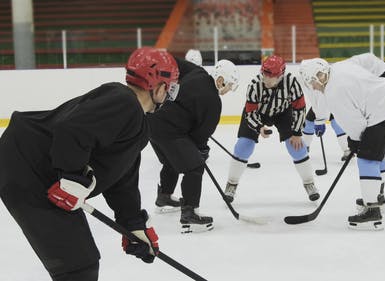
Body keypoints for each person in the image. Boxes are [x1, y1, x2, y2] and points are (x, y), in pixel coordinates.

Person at [0, 47, 179, 281]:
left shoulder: (135, 120)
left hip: (36, 170)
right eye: (172, 88)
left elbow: (121, 177)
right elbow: (72, 130)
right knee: (78, 267)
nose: (170, 96)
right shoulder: (124, 103)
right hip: (27, 167)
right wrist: (73, 175)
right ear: (160, 86)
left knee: (81, 264)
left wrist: (132, 223)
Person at [299, 53, 385, 230]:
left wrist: (356, 143)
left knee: (367, 157)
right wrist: (384, 75)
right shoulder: (340, 66)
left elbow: (356, 125)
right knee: (375, 154)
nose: (313, 87)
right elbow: (369, 59)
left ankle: (372, 212)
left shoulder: (333, 93)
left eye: (312, 82)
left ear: (318, 76)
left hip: (382, 113)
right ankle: (378, 196)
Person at [149, 58, 240, 233]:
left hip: (152, 123)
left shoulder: (197, 72)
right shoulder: (214, 103)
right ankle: (189, 214)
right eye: (229, 85)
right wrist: (200, 153)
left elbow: (173, 62)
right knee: (195, 167)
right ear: (220, 80)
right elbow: (199, 140)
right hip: (170, 131)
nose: (228, 90)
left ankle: (164, 197)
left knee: (172, 160)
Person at [224, 54, 319, 203]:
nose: (266, 79)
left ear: (281, 75)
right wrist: (259, 127)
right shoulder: (255, 85)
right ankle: (231, 184)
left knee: (297, 147)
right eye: (264, 74)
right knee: (243, 146)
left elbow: (300, 108)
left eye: (271, 76)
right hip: (258, 114)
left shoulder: (291, 83)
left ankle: (309, 183)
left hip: (283, 112)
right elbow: (250, 113)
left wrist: (296, 132)